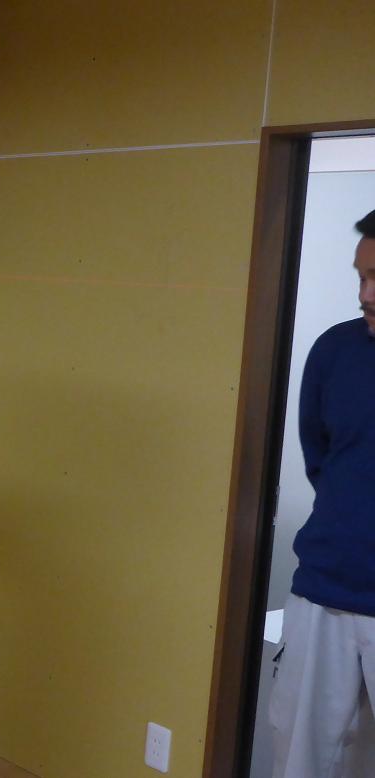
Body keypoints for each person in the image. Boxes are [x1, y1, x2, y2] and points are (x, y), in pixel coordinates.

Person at [271, 208, 375, 777]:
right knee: (300, 760)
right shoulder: (335, 351)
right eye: (361, 276)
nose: (366, 294)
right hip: (323, 593)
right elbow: (321, 460)